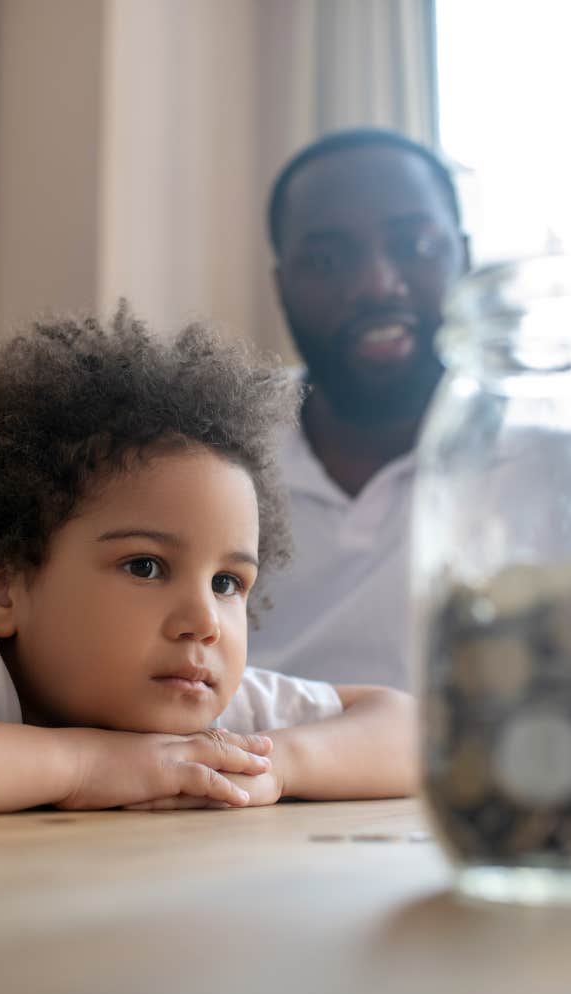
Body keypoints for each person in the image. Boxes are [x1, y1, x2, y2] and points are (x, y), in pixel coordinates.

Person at [0, 305, 414, 819]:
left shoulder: (212, 714)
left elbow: (413, 730)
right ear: (5, 593)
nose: (202, 621)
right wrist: (81, 765)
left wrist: (283, 765)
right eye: (146, 567)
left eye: (226, 582)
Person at [247, 127, 469, 690]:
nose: (376, 285)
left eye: (416, 246)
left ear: (463, 257)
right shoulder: (212, 444)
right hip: (241, 772)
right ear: (281, 287)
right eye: (325, 260)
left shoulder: (547, 447)